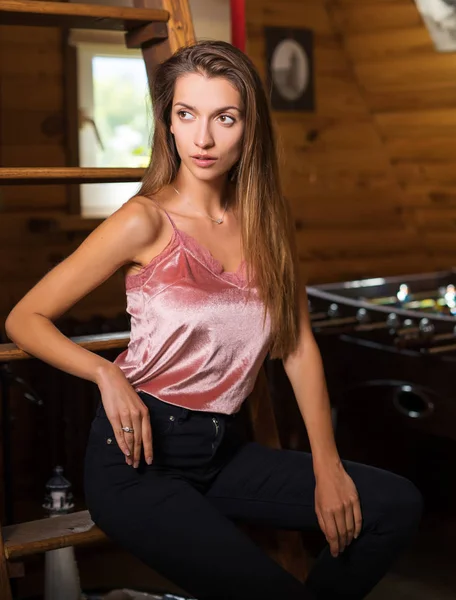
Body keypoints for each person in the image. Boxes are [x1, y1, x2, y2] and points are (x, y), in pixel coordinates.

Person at [4, 40, 422, 600]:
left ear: (249, 128)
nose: (203, 139)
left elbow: (297, 348)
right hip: (138, 461)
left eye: (224, 118)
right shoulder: (143, 221)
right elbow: (23, 318)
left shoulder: (268, 223)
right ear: (169, 124)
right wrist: (107, 375)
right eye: (186, 115)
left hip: (222, 451)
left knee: (395, 505)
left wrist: (329, 466)